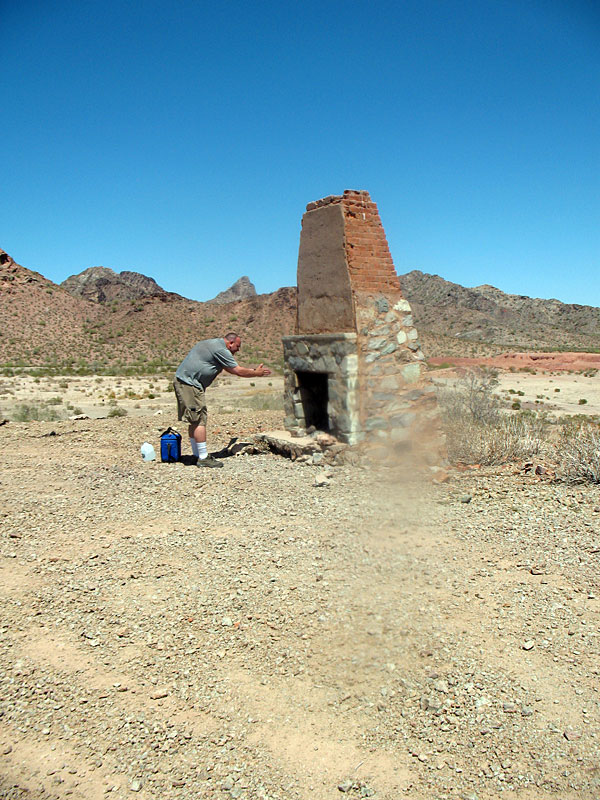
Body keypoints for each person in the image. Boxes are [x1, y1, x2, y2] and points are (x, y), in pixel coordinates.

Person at [173, 332, 272, 468]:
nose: (238, 349)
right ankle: (202, 458)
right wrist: (256, 373)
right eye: (237, 346)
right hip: (190, 384)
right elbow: (237, 370)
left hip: (185, 382)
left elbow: (230, 368)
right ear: (230, 343)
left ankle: (197, 455)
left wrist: (253, 370)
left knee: (194, 420)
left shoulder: (212, 344)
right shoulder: (221, 349)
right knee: (200, 419)